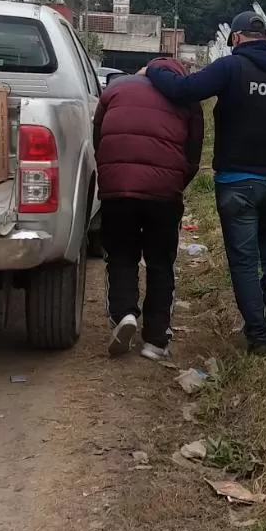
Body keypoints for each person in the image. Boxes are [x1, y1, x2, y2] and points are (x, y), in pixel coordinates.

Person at [145, 11, 266, 354]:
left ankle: (259, 338)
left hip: (237, 181)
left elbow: (185, 91)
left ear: (236, 38)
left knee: (243, 260)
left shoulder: (231, 68)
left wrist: (155, 70)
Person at [93, 58, 204, 360]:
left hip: (117, 189)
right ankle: (155, 340)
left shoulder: (115, 90)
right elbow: (193, 153)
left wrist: (110, 176)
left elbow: (98, 138)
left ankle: (124, 314)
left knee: (121, 253)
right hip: (164, 193)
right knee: (160, 261)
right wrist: (176, 182)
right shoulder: (186, 99)